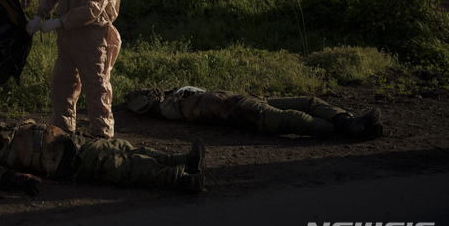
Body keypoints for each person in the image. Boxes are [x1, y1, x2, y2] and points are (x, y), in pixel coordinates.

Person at [26, 0, 121, 139]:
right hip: (68, 40)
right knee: (62, 84)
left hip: (92, 39)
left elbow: (91, 9)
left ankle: (102, 134)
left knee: (97, 87)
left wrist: (59, 22)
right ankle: (63, 129)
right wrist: (39, 16)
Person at [0, 120, 206, 196]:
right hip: (64, 159)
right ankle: (180, 179)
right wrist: (17, 179)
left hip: (74, 142)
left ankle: (182, 160)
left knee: (128, 149)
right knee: (123, 165)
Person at [126, 86, 383, 139]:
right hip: (242, 112)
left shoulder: (180, 95)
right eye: (145, 92)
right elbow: (138, 104)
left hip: (248, 100)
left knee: (307, 101)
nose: (150, 90)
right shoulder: (169, 107)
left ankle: (345, 119)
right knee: (295, 119)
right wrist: (144, 98)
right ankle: (347, 131)